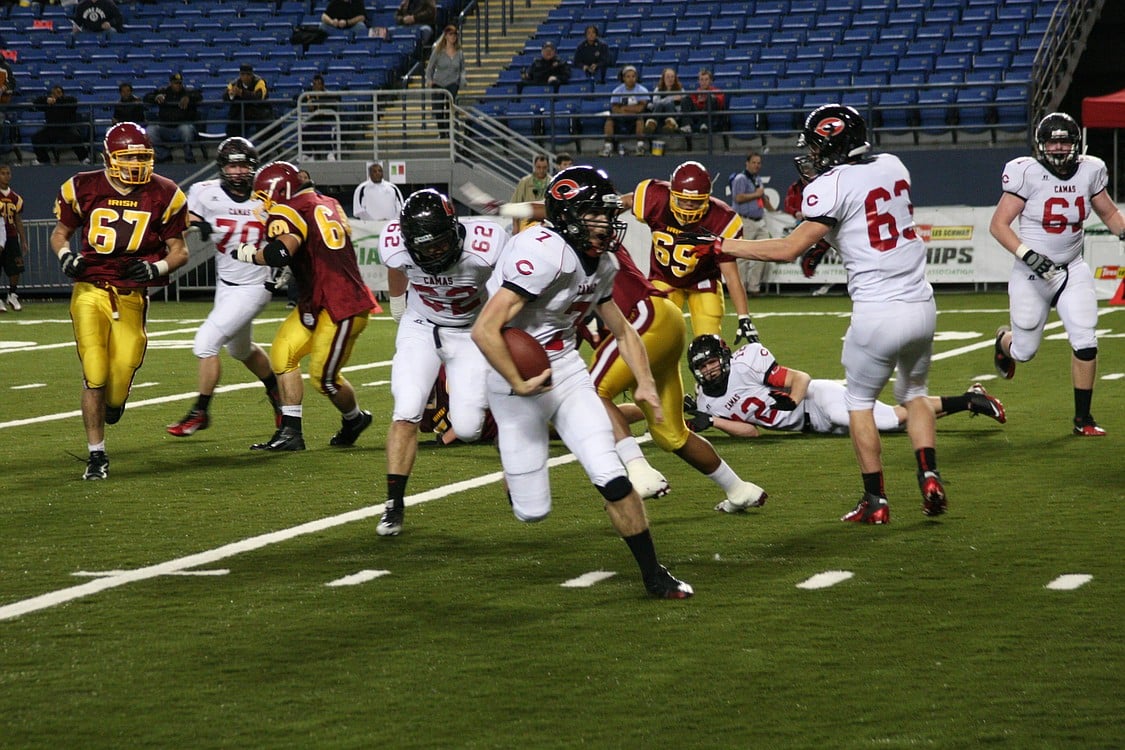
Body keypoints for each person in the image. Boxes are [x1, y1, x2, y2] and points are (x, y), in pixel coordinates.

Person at [470, 165, 692, 599]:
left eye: (607, 214)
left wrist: (645, 383)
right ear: (569, 215)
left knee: (612, 475)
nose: (606, 223)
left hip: (566, 370)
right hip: (512, 378)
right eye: (595, 214)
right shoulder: (541, 252)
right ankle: (517, 476)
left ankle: (654, 575)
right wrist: (518, 378)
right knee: (532, 513)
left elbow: (624, 330)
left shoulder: (604, 262)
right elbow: (485, 330)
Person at [715, 104, 945, 523]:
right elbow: (864, 219)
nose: (812, 157)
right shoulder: (894, 165)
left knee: (858, 401)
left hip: (877, 311)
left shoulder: (830, 185)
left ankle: (876, 500)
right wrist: (827, 242)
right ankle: (929, 473)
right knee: (914, 395)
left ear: (835, 146)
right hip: (923, 306)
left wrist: (724, 247)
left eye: (817, 148)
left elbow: (787, 249)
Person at [585, 238, 769, 515]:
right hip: (664, 324)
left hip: (644, 322)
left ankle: (638, 469)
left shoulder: (576, 252)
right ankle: (738, 488)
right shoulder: (574, 255)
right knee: (672, 434)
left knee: (588, 392)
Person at [49, 122, 190, 480]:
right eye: (128, 158)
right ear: (108, 158)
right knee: (94, 371)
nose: (136, 165)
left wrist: (155, 268)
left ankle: (114, 402)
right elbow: (60, 234)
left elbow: (180, 251)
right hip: (90, 289)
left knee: (123, 370)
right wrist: (67, 256)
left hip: (131, 294)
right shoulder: (83, 186)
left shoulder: (166, 193)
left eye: (142, 157)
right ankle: (97, 455)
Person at [376, 188, 510, 536]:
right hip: (420, 325)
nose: (433, 253)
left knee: (467, 429)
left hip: (471, 331)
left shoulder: (487, 245)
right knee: (406, 408)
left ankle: (509, 439)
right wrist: (397, 304)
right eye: (424, 247)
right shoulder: (395, 242)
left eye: (438, 244)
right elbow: (397, 265)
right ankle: (393, 504)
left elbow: (510, 287)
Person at [989, 112, 1125, 437]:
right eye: (1054, 141)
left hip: (1071, 269)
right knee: (1025, 352)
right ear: (1041, 144)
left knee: (1086, 341)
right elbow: (998, 225)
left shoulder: (1091, 170)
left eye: (1065, 141)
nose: (1060, 147)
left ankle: (1083, 419)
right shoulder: (1027, 173)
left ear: (1077, 144)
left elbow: (1108, 212)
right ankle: (1002, 342)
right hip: (1031, 274)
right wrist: (1028, 255)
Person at [233, 161, 376, 451]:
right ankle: (290, 432)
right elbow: (317, 248)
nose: (263, 205)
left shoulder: (289, 209)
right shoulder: (327, 202)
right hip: (317, 299)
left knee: (324, 379)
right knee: (283, 353)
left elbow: (282, 250)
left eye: (264, 197)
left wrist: (249, 254)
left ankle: (354, 418)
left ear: (280, 190)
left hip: (341, 304)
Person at [671, 334, 1007, 439]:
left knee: (890, 419)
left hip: (817, 400)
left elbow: (798, 378)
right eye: (701, 366)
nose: (709, 369)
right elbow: (752, 432)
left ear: (725, 357)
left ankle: (969, 399)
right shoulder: (706, 402)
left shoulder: (747, 364)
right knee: (894, 427)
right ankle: (970, 399)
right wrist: (713, 422)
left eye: (711, 361)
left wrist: (792, 401)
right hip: (811, 426)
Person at [166, 138, 282, 438]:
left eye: (243, 165)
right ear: (222, 167)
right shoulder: (206, 192)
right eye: (232, 165)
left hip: (256, 284)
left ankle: (200, 411)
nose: (238, 171)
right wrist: (196, 223)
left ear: (253, 167)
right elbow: (186, 215)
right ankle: (278, 396)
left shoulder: (266, 197)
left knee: (206, 341)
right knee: (240, 349)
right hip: (226, 284)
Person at [621, 160, 757, 343]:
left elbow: (731, 274)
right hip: (664, 278)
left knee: (710, 342)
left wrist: (744, 316)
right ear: (671, 193)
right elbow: (629, 200)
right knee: (656, 340)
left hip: (703, 281)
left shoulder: (721, 218)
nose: (687, 206)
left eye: (694, 202)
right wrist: (607, 210)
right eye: (683, 200)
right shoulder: (656, 197)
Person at [730, 151, 773, 296]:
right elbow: (738, 198)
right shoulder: (740, 178)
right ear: (747, 163)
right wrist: (757, 194)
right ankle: (741, 288)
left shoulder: (757, 179)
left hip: (759, 221)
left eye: (759, 163)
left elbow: (761, 198)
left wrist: (771, 209)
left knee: (763, 253)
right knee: (742, 256)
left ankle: (754, 287)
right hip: (745, 220)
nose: (756, 165)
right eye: (754, 162)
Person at [144, 73, 202, 164]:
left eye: (179, 83)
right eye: (175, 83)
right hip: (165, 126)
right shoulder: (164, 92)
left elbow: (199, 96)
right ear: (170, 83)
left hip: (181, 126)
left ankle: (189, 157)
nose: (178, 85)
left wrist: (189, 98)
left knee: (187, 129)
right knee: (150, 130)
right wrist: (156, 97)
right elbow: (146, 97)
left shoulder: (187, 92)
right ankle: (164, 155)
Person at [31, 85, 89, 165]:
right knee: (36, 138)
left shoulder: (68, 101)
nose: (55, 95)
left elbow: (73, 102)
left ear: (62, 93)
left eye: (58, 93)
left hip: (66, 128)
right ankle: (43, 160)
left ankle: (83, 158)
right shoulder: (48, 103)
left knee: (76, 137)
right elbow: (36, 102)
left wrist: (57, 100)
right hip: (51, 128)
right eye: (53, 93)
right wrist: (46, 100)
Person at [601, 65, 650, 157]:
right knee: (610, 119)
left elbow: (640, 108)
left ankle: (640, 146)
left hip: (635, 117)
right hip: (621, 117)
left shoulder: (642, 90)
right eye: (628, 76)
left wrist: (625, 108)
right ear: (623, 78)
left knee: (640, 119)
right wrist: (627, 110)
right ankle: (608, 147)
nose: (631, 79)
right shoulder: (617, 91)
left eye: (633, 76)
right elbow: (614, 108)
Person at [424, 25, 465, 131]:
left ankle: (450, 130)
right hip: (438, 82)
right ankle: (442, 131)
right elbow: (430, 68)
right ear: (446, 36)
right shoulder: (438, 51)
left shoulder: (459, 52)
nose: (453, 37)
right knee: (438, 109)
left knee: (450, 107)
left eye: (455, 34)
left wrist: (462, 80)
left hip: (453, 82)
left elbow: (462, 69)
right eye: (451, 34)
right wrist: (429, 80)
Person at [0, 163, 27, 312]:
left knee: (16, 267)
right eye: (3, 173)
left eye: (8, 173)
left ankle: (12, 294)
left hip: (10, 235)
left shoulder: (15, 197)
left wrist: (23, 239)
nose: (6, 176)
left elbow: (18, 219)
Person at [224, 64, 270, 139]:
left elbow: (258, 97)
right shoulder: (235, 83)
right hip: (240, 114)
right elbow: (225, 96)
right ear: (240, 75)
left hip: (258, 113)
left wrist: (241, 93)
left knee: (264, 126)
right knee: (232, 127)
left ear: (252, 74)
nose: (245, 77)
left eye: (248, 74)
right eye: (243, 74)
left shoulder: (259, 82)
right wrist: (231, 94)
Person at [300, 73, 340, 159]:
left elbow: (336, 101)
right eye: (314, 84)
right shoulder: (309, 95)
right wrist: (308, 102)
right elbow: (298, 98)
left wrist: (318, 104)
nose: (316, 86)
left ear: (322, 85)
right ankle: (308, 154)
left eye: (318, 84)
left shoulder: (328, 95)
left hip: (327, 122)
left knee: (327, 132)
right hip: (314, 122)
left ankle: (330, 153)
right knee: (304, 130)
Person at [508, 153, 549, 233]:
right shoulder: (524, 182)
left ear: (548, 167)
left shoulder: (551, 182)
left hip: (544, 224)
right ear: (534, 166)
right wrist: (515, 226)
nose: (541, 170)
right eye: (538, 167)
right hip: (525, 223)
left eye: (544, 168)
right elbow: (515, 204)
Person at [681, 68, 726, 135]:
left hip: (712, 116)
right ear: (698, 81)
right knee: (685, 99)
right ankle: (687, 125)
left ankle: (705, 124)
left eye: (706, 79)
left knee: (711, 98)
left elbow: (720, 103)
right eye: (701, 79)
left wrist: (707, 98)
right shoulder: (696, 93)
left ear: (710, 81)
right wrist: (698, 102)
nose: (703, 82)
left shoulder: (716, 91)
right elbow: (692, 104)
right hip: (698, 115)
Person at [645, 67, 684, 136]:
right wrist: (672, 98)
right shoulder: (658, 89)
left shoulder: (680, 90)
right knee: (659, 104)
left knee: (668, 104)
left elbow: (682, 105)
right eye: (668, 77)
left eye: (672, 77)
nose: (670, 79)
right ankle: (652, 124)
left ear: (675, 78)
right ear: (663, 78)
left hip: (675, 115)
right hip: (660, 113)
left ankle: (670, 124)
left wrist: (667, 101)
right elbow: (656, 103)